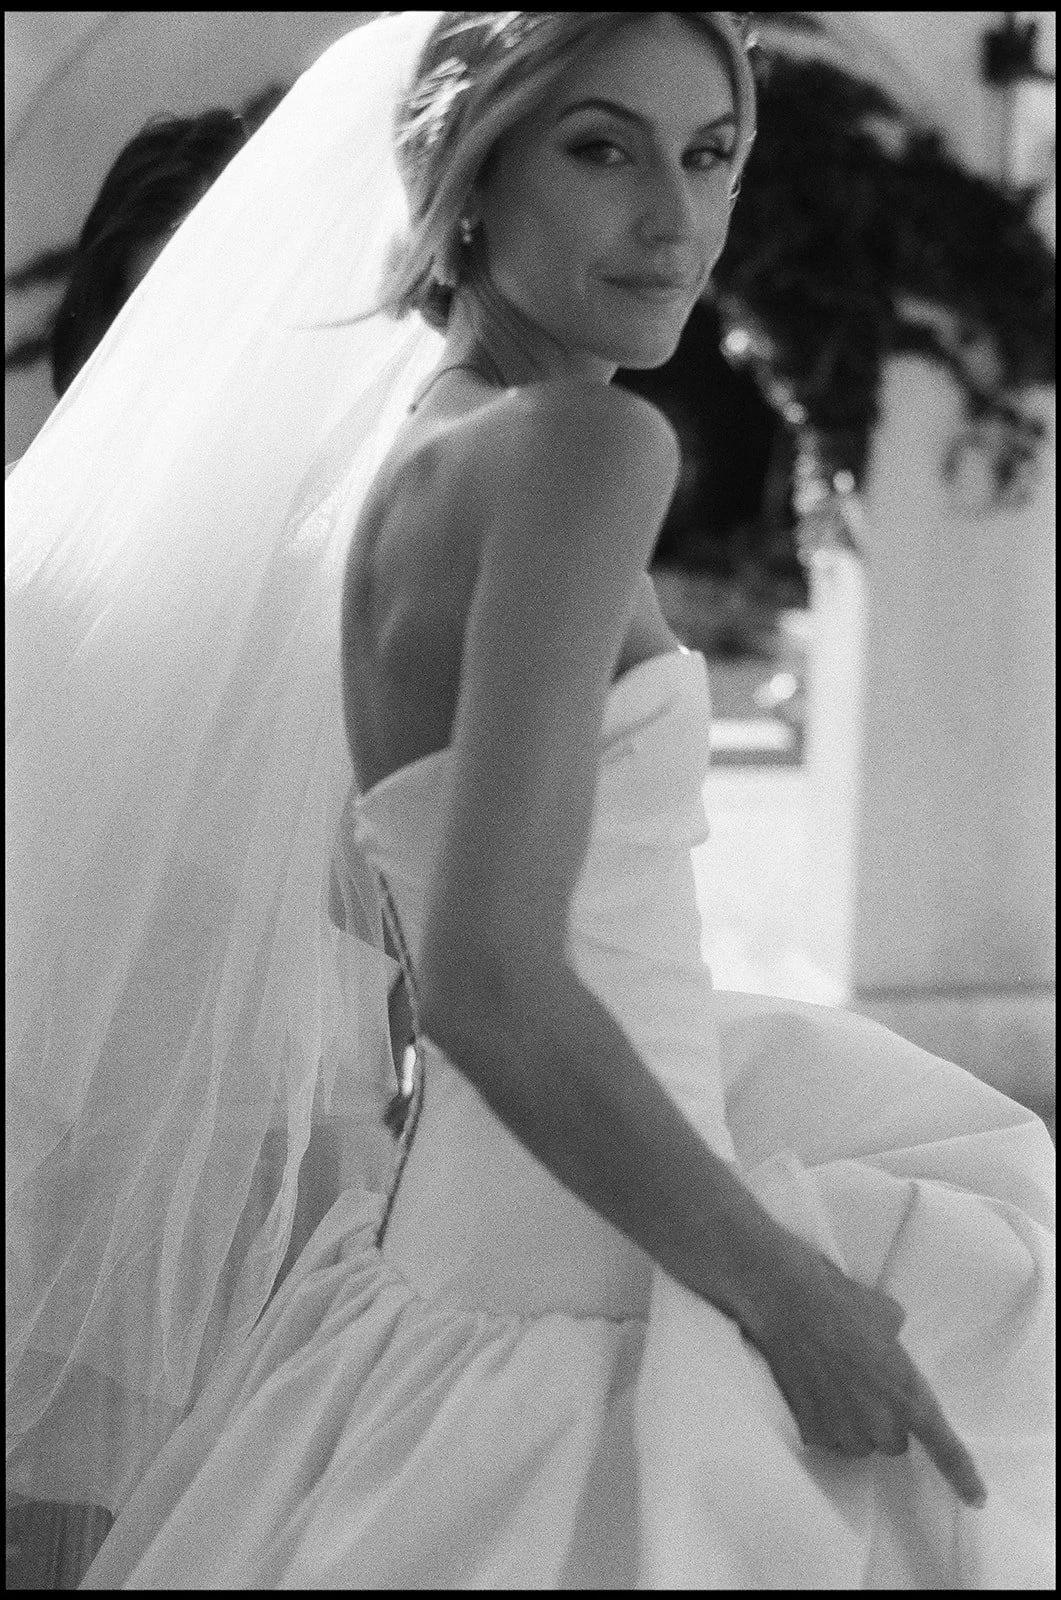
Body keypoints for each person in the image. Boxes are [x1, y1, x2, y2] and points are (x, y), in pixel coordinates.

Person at [5, 13, 1052, 1590]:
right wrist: (785, 1291)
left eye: (709, 156)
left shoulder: (394, 467)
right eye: (601, 146)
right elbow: (493, 979)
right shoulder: (584, 444)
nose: (675, 217)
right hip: (604, 1299)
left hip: (439, 1279)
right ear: (468, 173)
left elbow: (390, 905)